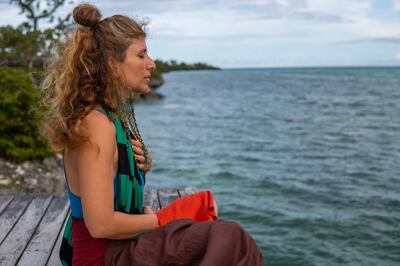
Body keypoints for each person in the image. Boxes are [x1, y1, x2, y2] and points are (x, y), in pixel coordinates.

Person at [40, 3, 264, 266]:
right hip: (104, 257)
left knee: (218, 230)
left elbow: (108, 183)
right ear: (113, 64)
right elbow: (100, 225)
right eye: (141, 55)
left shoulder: (111, 116)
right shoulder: (96, 125)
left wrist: (140, 166)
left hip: (119, 248)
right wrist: (161, 220)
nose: (151, 64)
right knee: (231, 238)